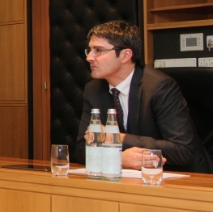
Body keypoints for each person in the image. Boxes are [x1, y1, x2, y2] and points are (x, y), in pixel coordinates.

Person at [74, 20, 212, 172]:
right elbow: (81, 149)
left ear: (125, 55)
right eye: (90, 50)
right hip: (130, 178)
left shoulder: (159, 87)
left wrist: (117, 138)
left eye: (98, 50)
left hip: (182, 176)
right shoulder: (93, 90)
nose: (89, 58)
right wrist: (118, 159)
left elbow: (183, 151)